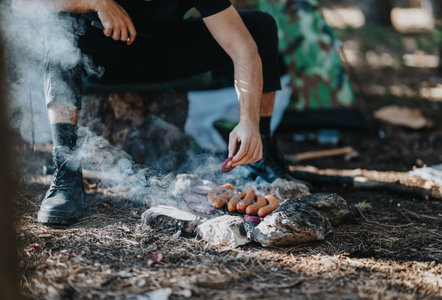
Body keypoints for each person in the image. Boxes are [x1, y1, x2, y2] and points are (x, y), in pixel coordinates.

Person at [37, 0, 305, 225]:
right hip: (107, 54)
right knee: (60, 27)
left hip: (166, 53)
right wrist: (98, 3)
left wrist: (248, 122)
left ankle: (262, 157)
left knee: (260, 26)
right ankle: (66, 174)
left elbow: (241, 46)